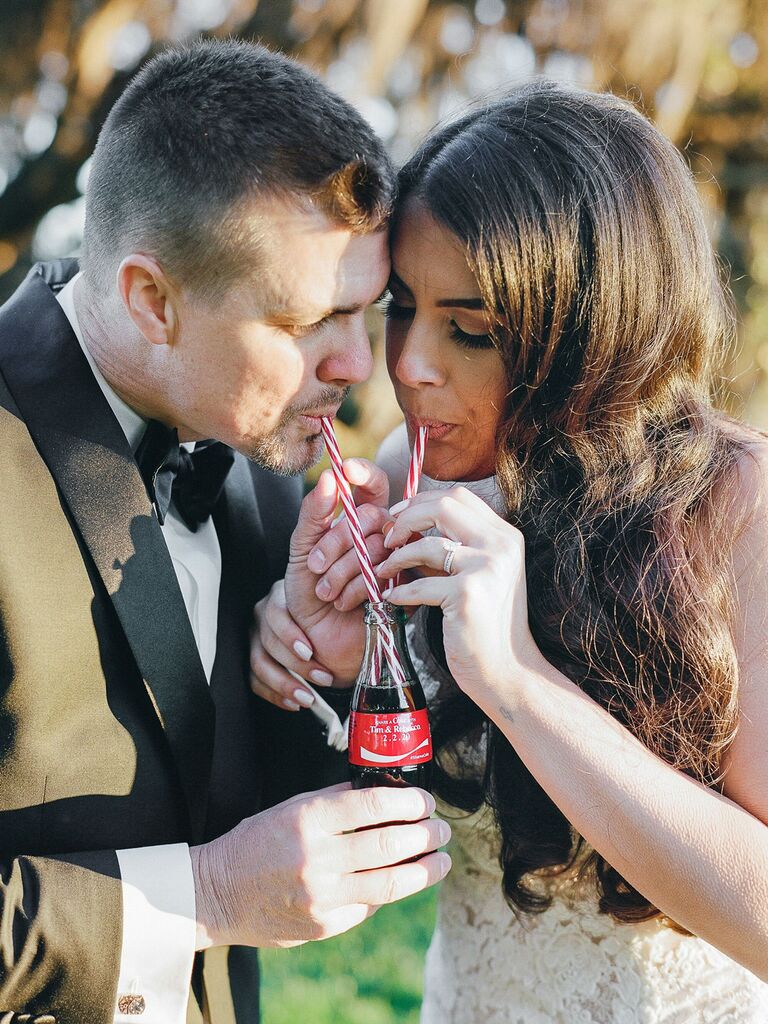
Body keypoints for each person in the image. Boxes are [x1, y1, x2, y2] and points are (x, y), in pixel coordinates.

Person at [250, 82, 768, 1022]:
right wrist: (330, 666)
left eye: (473, 328)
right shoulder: (415, 476)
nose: (405, 364)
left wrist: (518, 681)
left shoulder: (739, 508)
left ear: (594, 337)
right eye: (402, 306)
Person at [0, 39, 452, 1024]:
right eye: (310, 323)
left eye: (367, 313)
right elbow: (218, 880)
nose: (356, 366)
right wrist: (197, 900)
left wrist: (319, 668)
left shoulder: (264, 471)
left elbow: (247, 822)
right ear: (152, 300)